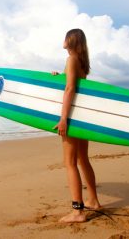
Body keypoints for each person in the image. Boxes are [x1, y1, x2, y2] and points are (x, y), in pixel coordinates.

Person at [52, 28, 101, 223]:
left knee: (70, 163)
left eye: (65, 37)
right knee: (83, 160)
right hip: (82, 117)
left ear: (70, 40)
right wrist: (57, 77)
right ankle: (93, 201)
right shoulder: (80, 63)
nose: (62, 40)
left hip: (71, 117)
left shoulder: (71, 60)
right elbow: (71, 83)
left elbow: (70, 88)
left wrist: (63, 119)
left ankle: (78, 211)